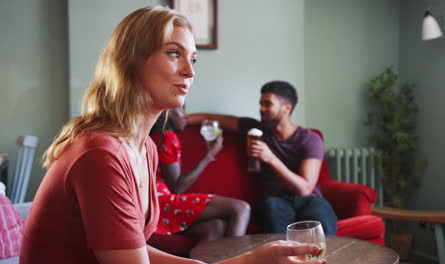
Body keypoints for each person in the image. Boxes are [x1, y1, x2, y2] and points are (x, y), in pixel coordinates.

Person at [20, 6, 326, 264]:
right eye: (173, 53)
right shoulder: (101, 152)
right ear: (130, 62)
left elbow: (136, 252)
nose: (190, 72)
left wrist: (248, 259)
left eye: (192, 59)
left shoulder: (144, 149)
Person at [188, 81, 338, 235]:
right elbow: (210, 118)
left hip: (309, 201)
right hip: (276, 201)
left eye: (267, 104)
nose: (261, 109)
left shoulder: (309, 139)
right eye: (261, 104)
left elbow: (304, 189)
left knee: (321, 232)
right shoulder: (257, 130)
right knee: (271, 207)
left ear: (287, 108)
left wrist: (270, 158)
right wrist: (181, 120)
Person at [150, 107, 250, 242]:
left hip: (151, 206)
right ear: (167, 112)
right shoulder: (167, 137)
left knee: (215, 227)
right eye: (182, 110)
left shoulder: (154, 136)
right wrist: (209, 155)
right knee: (241, 208)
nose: (186, 116)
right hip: (161, 204)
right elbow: (177, 187)